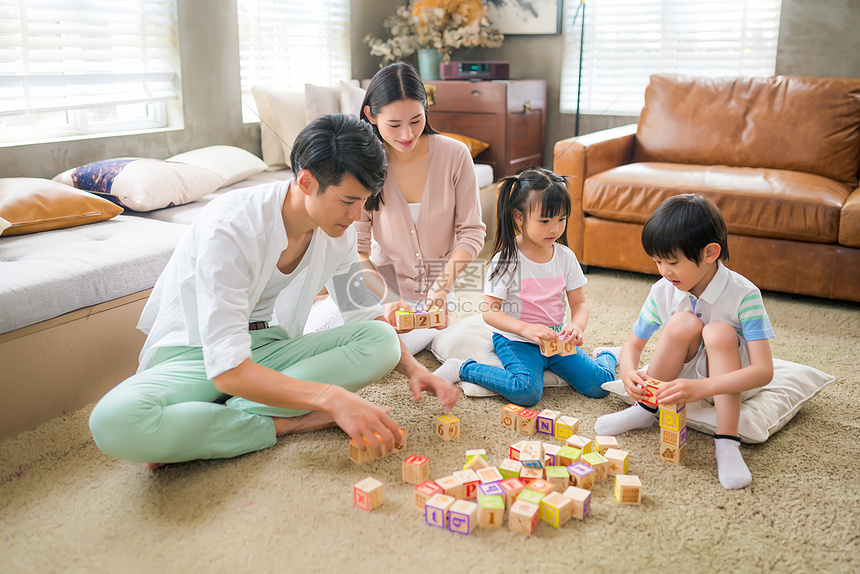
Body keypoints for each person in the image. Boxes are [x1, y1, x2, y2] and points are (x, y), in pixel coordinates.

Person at [88, 114, 459, 469]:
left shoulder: (338, 232)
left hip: (270, 347)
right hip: (197, 354)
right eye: (348, 200)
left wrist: (412, 369)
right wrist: (331, 399)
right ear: (306, 181)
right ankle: (285, 423)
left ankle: (206, 426)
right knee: (113, 421)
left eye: (365, 200)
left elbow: (362, 313)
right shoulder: (230, 229)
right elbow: (228, 369)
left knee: (380, 338)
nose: (357, 214)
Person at [593, 193, 774, 490]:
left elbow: (764, 371)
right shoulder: (663, 290)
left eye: (672, 262)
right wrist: (627, 371)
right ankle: (645, 410)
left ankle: (728, 440)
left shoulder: (745, 294)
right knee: (682, 323)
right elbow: (633, 344)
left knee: (719, 332)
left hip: (731, 381)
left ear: (710, 253)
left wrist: (702, 388)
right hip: (682, 378)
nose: (664, 271)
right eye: (658, 261)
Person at [305, 62, 485, 359]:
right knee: (311, 340)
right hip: (378, 287)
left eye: (416, 120)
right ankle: (322, 304)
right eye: (394, 125)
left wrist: (441, 289)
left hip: (434, 295)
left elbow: (472, 233)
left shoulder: (455, 155)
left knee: (378, 353)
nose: (406, 134)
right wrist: (389, 299)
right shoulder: (364, 165)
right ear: (371, 116)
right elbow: (358, 251)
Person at [435, 168, 618, 406]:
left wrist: (577, 325)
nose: (555, 229)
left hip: (557, 339)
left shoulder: (565, 257)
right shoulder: (507, 259)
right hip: (515, 340)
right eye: (545, 221)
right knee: (526, 392)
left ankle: (607, 355)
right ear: (519, 217)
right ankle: (462, 369)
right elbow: (490, 312)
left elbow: (579, 302)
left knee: (600, 385)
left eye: (561, 219)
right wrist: (526, 330)